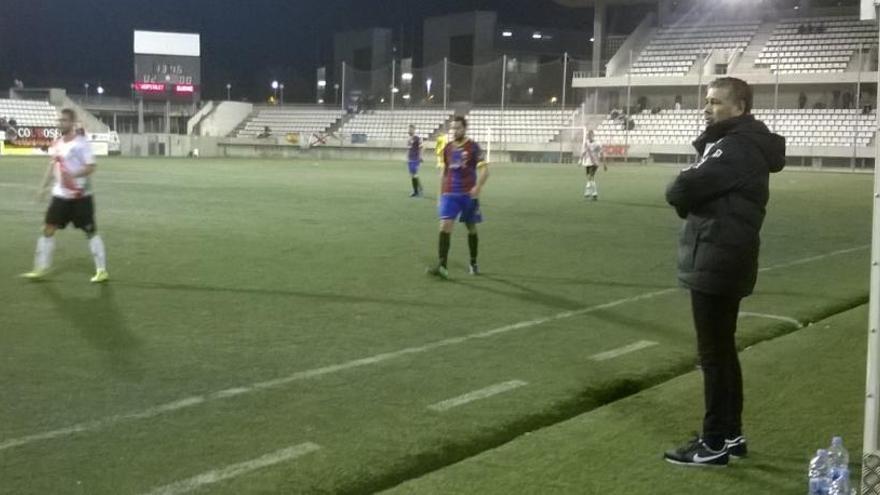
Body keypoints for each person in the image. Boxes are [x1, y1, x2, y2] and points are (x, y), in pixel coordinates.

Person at [663, 77, 785, 467]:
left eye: (715, 102)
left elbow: (680, 190)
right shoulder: (740, 144)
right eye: (707, 101)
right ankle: (730, 434)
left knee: (714, 355)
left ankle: (714, 442)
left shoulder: (735, 146)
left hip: (717, 256)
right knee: (723, 352)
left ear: (740, 107)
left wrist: (690, 203)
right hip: (727, 255)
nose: (707, 107)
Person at [22, 108, 109, 283]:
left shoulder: (81, 143)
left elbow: (91, 166)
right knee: (47, 230)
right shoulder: (58, 143)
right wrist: (42, 188)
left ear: (72, 123)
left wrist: (74, 175)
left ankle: (102, 271)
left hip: (80, 197)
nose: (60, 123)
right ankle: (40, 268)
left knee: (90, 232)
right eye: (59, 120)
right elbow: (52, 166)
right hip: (60, 196)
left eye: (64, 121)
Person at [427, 116, 489, 279]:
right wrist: (440, 195)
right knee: (444, 226)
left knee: (471, 228)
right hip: (450, 194)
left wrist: (478, 187)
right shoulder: (447, 148)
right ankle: (442, 266)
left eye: (458, 128)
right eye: (453, 128)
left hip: (468, 195)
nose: (455, 131)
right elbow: (444, 173)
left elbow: (485, 171)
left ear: (465, 129)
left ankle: (473, 262)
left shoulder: (473, 147)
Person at [580, 130, 604, 200]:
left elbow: (601, 152)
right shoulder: (586, 143)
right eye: (588, 135)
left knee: (591, 177)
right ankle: (591, 193)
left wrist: (604, 163)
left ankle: (591, 193)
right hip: (587, 162)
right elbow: (584, 151)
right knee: (589, 177)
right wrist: (580, 160)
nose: (588, 137)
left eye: (590, 135)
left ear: (593, 136)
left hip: (594, 162)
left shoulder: (597, 144)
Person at [406, 124, 423, 197]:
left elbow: (422, 147)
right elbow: (409, 149)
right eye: (408, 129)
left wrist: (420, 157)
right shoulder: (409, 139)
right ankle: (419, 188)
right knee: (412, 175)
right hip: (410, 159)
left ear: (413, 129)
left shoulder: (417, 138)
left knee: (414, 175)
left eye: (410, 129)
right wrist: (407, 157)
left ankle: (416, 192)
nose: (409, 130)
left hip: (415, 159)